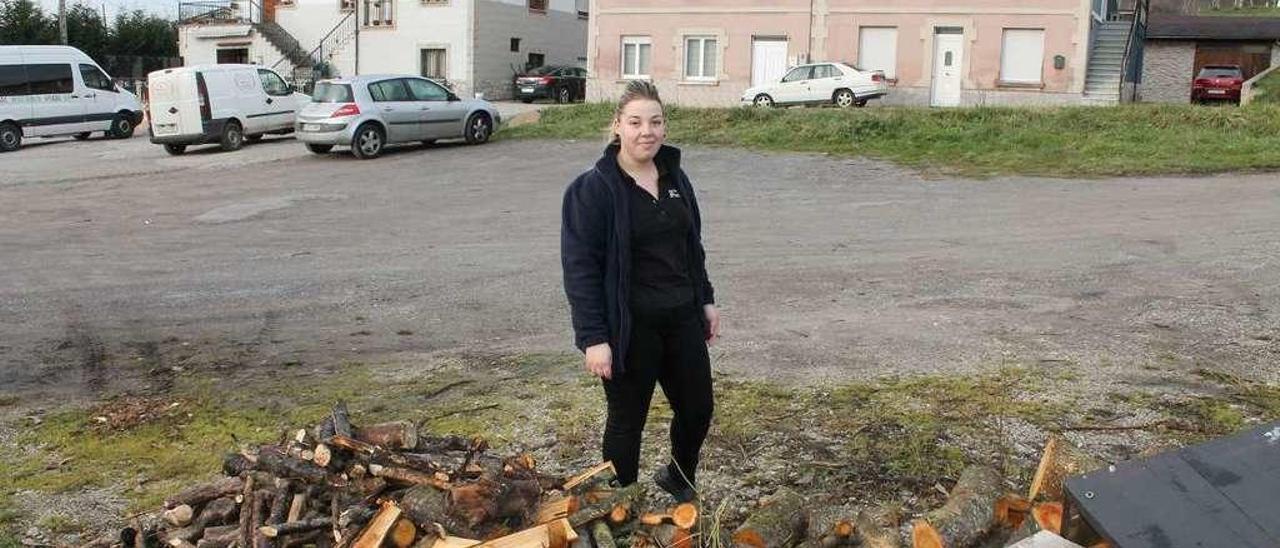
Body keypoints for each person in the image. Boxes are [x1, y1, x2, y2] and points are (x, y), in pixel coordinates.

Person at [560, 80, 720, 502]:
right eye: (635, 122)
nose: (645, 131)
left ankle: (679, 476)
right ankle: (621, 502)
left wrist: (705, 298)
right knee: (627, 422)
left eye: (655, 121)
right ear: (617, 126)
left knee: (698, 408)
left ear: (664, 128)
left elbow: (691, 245)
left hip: (681, 316)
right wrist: (594, 339)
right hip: (630, 327)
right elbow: (580, 270)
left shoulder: (674, 176)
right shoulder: (592, 190)